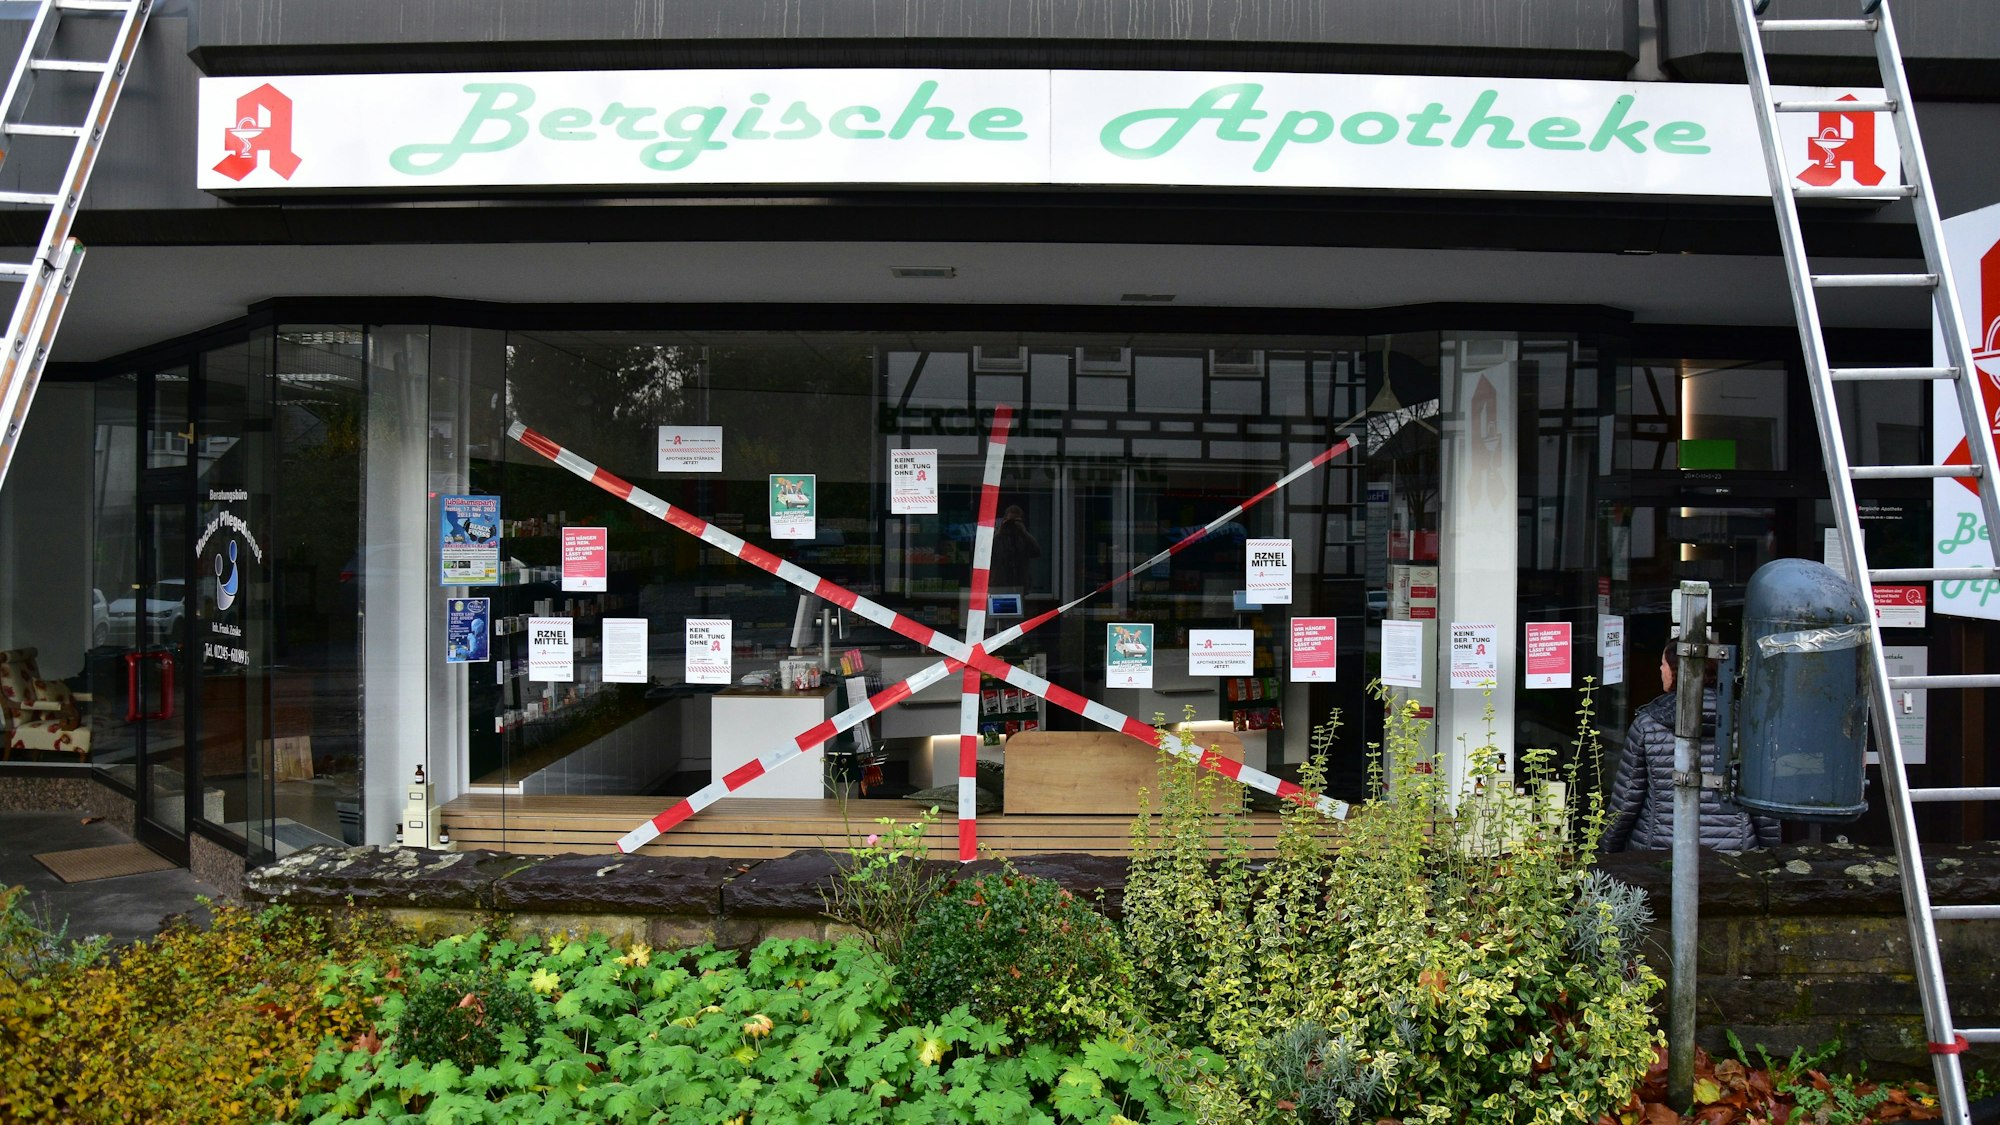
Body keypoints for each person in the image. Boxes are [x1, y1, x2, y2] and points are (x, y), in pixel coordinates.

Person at [1603, 643, 1780, 853]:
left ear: (1677, 671)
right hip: (1735, 851)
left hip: (1660, 849)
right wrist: (1771, 855)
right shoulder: (1748, 724)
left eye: (1663, 664)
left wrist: (1605, 851)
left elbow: (1626, 802)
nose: (1660, 670)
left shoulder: (1647, 725)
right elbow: (1762, 806)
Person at [991, 504, 1040, 590]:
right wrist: (1001, 531)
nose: (1012, 525)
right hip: (1000, 583)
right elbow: (988, 554)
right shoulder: (999, 538)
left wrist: (1024, 532)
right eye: (1010, 521)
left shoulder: (1023, 538)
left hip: (1020, 583)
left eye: (1015, 522)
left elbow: (1036, 551)